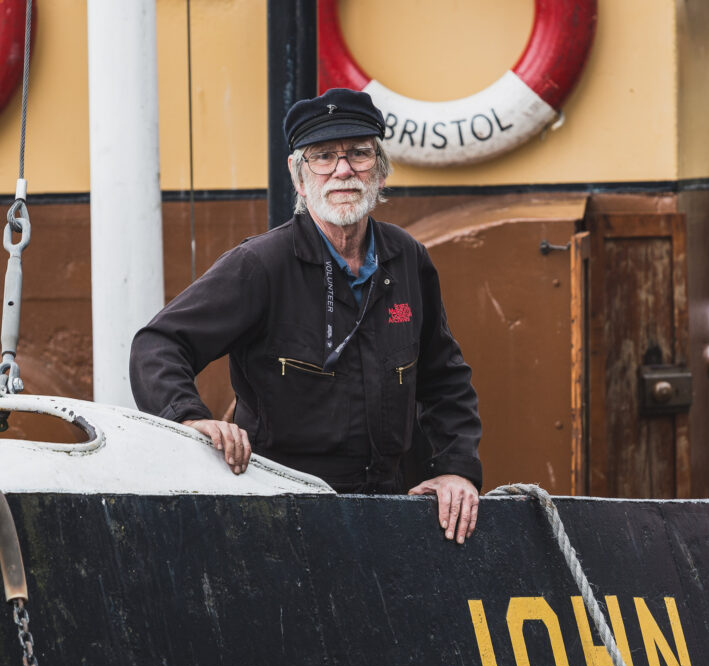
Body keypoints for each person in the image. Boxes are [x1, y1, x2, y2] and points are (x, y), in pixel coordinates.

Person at [130, 89, 483, 542]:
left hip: (396, 510)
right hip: (284, 515)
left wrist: (457, 471)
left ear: (380, 170)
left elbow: (445, 379)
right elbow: (158, 344)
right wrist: (189, 419)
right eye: (323, 157)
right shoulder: (261, 265)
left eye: (359, 153)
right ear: (299, 178)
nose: (343, 170)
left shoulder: (407, 257)